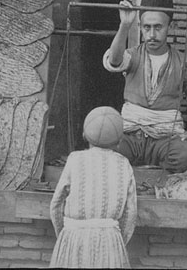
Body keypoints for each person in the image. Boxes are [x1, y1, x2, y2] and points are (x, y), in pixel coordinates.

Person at [103, 0, 187, 174]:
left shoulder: (183, 63)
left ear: (170, 27)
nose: (151, 35)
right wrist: (124, 25)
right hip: (130, 136)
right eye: (146, 28)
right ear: (140, 27)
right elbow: (114, 61)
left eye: (158, 28)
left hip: (164, 141)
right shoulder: (133, 56)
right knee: (106, 153)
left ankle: (155, 178)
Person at [50, 106, 137, 268]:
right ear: (119, 141)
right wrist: (116, 239)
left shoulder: (75, 159)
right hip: (109, 243)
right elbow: (130, 215)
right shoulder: (123, 164)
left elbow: (56, 205)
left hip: (73, 239)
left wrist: (64, 234)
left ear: (84, 135)